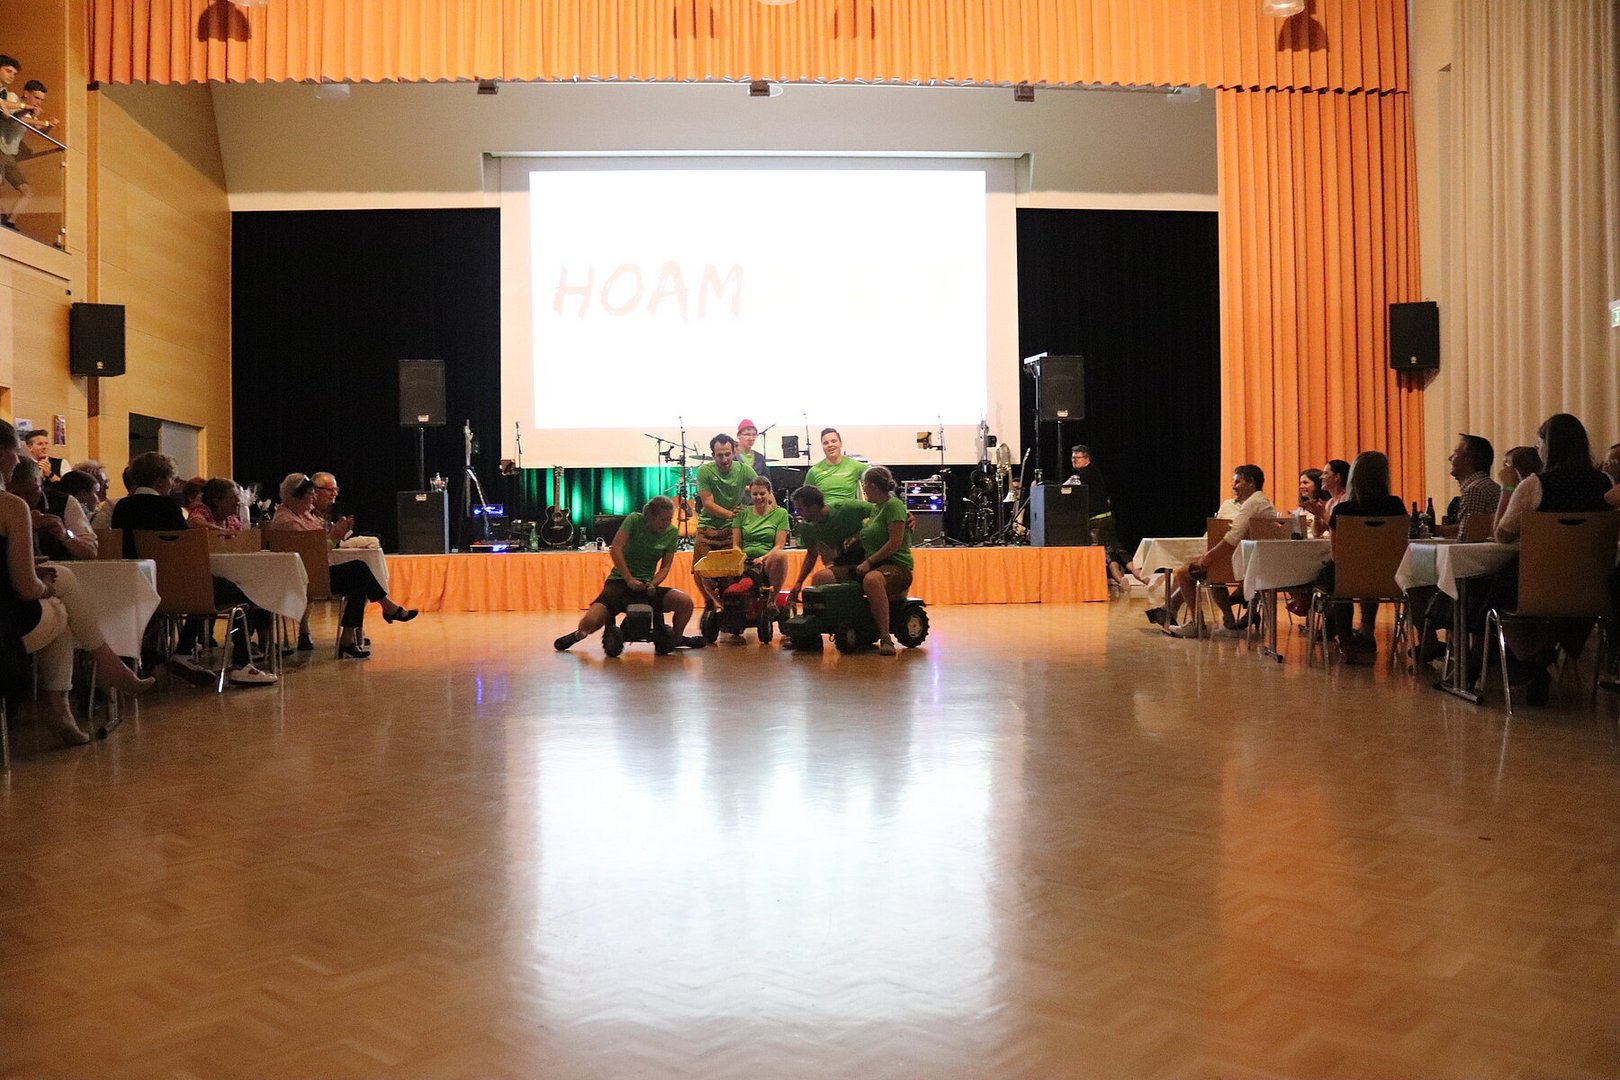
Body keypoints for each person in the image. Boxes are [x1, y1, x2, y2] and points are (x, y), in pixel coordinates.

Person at [0, 420, 154, 746]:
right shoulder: (10, 507)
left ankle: (75, 699)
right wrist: (45, 585)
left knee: (62, 589)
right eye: (16, 451)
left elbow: (89, 548)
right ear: (3, 453)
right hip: (7, 627)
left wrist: (61, 537)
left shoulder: (59, 504)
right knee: (62, 599)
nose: (18, 459)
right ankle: (90, 682)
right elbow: (27, 589)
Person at [1481, 415, 1614, 703]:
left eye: (1538, 443)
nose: (1537, 449)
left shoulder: (1534, 485)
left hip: (1539, 580)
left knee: (1496, 591)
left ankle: (1531, 660)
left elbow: (1502, 535)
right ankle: (1541, 657)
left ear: (1549, 446)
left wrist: (1507, 487)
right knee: (1553, 605)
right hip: (1589, 583)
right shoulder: (1606, 482)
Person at [271, 473, 416, 659]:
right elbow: (314, 553)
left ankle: (350, 637)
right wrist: (336, 535)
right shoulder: (288, 521)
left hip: (311, 572)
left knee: (359, 579)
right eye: (310, 494)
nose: (313, 498)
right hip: (303, 577)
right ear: (295, 496)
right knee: (359, 570)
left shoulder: (303, 515)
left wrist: (336, 531)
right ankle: (386, 608)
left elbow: (319, 543)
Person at [554, 495, 703, 652]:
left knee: (685, 602)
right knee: (591, 621)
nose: (666, 523)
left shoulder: (671, 532)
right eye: (662, 519)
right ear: (649, 517)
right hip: (620, 582)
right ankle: (578, 635)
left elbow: (665, 567)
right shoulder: (634, 520)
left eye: (669, 519)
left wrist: (653, 584)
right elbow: (616, 549)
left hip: (646, 586)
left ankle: (676, 639)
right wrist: (629, 579)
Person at [1149, 464, 1277, 637]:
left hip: (1242, 567)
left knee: (1183, 573)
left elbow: (1233, 537)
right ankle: (1226, 621)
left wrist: (1209, 556)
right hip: (1251, 565)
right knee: (1207, 570)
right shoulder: (1264, 503)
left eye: (1238, 482)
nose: (1233, 486)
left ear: (1251, 483)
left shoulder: (1252, 504)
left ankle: (1196, 623)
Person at [1310, 450, 1405, 661]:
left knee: (1335, 573)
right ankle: (1366, 631)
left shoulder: (1343, 510)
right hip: (1391, 577)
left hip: (1348, 578)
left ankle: (1344, 637)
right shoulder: (1397, 506)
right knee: (1371, 569)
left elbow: (1338, 555)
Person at [852, 466, 914, 656]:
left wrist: (869, 562)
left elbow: (895, 543)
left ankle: (885, 636)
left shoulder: (893, 505)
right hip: (878, 564)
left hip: (897, 566)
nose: (864, 489)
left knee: (872, 580)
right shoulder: (876, 508)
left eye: (864, 485)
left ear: (872, 486)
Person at [784, 485, 872, 614]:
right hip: (846, 563)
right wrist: (799, 583)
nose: (798, 513)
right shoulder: (807, 528)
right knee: (820, 578)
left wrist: (860, 535)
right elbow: (811, 554)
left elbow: (880, 511)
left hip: (869, 557)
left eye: (800, 509)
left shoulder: (846, 508)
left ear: (814, 508)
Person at [691, 433, 755, 609]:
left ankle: (729, 606)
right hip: (707, 528)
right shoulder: (705, 471)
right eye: (720, 455)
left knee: (731, 573)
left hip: (731, 530)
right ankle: (709, 604)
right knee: (700, 570)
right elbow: (708, 503)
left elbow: (762, 490)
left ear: (734, 452)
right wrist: (732, 515)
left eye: (727, 454)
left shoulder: (744, 470)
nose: (725, 459)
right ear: (713, 455)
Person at [9, 459, 94, 561]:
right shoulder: (4, 504)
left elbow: (91, 552)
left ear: (41, 483)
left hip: (59, 568)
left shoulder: (64, 502)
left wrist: (65, 535)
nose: (23, 500)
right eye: (15, 494)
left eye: (29, 493)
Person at [731, 475, 790, 598]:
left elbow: (779, 546)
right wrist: (741, 559)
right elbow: (736, 544)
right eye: (755, 494)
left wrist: (762, 559)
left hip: (767, 560)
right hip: (745, 559)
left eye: (762, 494)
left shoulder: (781, 514)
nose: (758, 497)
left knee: (781, 555)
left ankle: (772, 600)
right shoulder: (741, 513)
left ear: (769, 493)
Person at [805, 428, 867, 504]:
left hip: (849, 510)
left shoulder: (856, 466)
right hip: (825, 510)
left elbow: (875, 478)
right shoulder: (814, 471)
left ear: (841, 443)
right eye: (826, 443)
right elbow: (805, 499)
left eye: (833, 441)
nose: (830, 445)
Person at [1301, 458, 1349, 537]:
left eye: (1325, 473)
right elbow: (1317, 533)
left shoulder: (1346, 499)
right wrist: (1317, 515)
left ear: (1337, 476)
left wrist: (1323, 514)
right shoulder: (1330, 502)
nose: (1321, 477)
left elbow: (1341, 529)